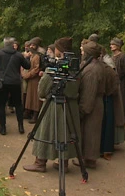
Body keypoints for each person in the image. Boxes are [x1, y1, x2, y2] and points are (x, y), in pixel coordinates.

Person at [23, 37, 81, 172]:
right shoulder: (75, 69)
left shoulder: (53, 69)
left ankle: (40, 163)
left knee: (45, 132)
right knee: (65, 133)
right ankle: (63, 163)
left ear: (58, 50)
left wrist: (47, 76)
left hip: (53, 105)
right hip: (70, 106)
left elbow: (42, 91)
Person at [0, 37, 31, 135]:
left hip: (3, 82)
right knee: (18, 105)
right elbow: (27, 66)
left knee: (1, 105)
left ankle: (3, 128)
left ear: (4, 44)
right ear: (13, 45)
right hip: (15, 82)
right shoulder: (18, 55)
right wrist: (27, 57)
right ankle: (20, 127)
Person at [75, 40, 106, 169]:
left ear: (88, 53)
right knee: (90, 131)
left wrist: (82, 110)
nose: (81, 53)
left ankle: (89, 160)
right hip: (96, 102)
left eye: (83, 51)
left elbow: (89, 94)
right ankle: (87, 158)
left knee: (90, 132)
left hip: (92, 104)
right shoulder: (96, 65)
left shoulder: (92, 70)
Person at [110, 38, 125, 123]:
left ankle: (122, 120)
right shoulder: (112, 57)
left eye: (113, 44)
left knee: (122, 102)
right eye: (111, 44)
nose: (111, 46)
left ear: (118, 45)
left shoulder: (123, 57)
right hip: (115, 83)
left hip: (122, 83)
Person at [23, 37, 43, 124]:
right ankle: (28, 112)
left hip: (35, 80)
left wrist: (27, 75)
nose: (31, 46)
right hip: (31, 79)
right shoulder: (33, 55)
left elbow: (36, 69)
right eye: (30, 44)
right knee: (30, 96)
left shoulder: (38, 56)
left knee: (35, 98)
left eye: (33, 45)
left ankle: (35, 115)